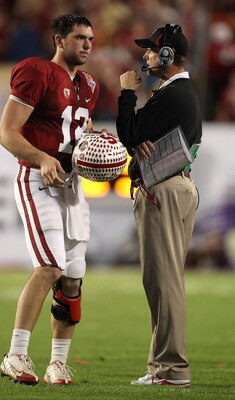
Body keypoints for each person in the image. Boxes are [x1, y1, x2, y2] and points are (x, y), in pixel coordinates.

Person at [0, 14, 99, 385]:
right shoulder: (36, 71)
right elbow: (6, 133)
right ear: (58, 39)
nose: (87, 44)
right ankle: (16, 354)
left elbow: (74, 131)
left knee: (73, 279)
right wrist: (42, 157)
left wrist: (93, 143)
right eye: (78, 37)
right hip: (38, 178)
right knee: (50, 267)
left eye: (90, 38)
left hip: (71, 185)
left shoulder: (90, 85)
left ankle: (58, 363)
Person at [116, 24, 202, 387]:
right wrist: (139, 141)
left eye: (153, 50)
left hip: (163, 190)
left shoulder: (171, 93)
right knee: (165, 280)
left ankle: (171, 370)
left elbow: (129, 133)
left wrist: (125, 95)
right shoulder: (179, 92)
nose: (147, 56)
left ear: (167, 55)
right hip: (176, 187)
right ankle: (162, 367)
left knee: (162, 281)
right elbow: (138, 138)